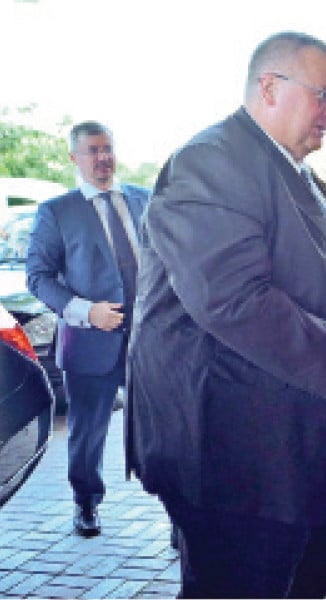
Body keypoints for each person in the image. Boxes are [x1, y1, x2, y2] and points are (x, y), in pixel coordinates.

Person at [124, 31, 326, 598]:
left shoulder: (289, 170)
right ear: (270, 87)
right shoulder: (211, 162)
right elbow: (234, 300)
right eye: (324, 94)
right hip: (239, 469)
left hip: (289, 463)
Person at [27, 121, 149, 537]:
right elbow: (39, 278)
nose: (103, 158)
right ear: (74, 158)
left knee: (164, 425)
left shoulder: (143, 200)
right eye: (93, 150)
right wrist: (85, 311)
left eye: (108, 148)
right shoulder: (57, 212)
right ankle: (86, 503)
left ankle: (176, 509)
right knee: (87, 432)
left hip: (149, 341)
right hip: (90, 341)